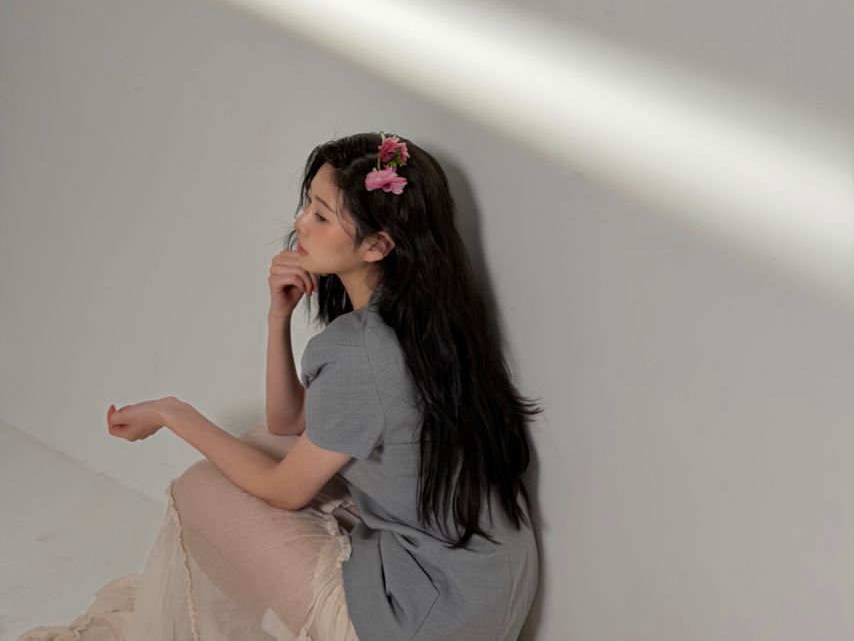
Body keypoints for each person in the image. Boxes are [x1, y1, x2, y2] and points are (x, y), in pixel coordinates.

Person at [16, 131, 542, 641]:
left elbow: (285, 492)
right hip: (486, 591)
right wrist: (278, 317)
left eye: (320, 215)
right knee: (264, 442)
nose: (299, 223)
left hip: (426, 621)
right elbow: (287, 423)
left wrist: (173, 413)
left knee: (198, 489)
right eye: (307, 204)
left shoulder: (363, 350)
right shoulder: (436, 317)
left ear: (377, 245)